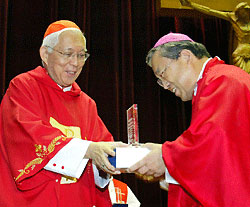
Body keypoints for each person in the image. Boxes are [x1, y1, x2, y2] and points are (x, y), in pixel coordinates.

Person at [0, 20, 125, 207]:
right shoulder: (23, 88)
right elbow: (29, 139)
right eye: (67, 54)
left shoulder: (87, 104)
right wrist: (89, 150)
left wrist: (111, 162)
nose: (75, 63)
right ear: (45, 53)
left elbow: (102, 150)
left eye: (81, 55)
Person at [129, 32, 250, 206]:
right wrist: (165, 157)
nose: (165, 86)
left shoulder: (223, 80)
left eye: (162, 73)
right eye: (159, 81)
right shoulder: (212, 82)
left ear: (185, 56)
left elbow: (213, 142)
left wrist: (165, 157)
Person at [180, 0, 250, 73]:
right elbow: (209, 11)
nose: (244, 15)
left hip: (247, 48)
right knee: (240, 67)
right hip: (241, 49)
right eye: (241, 14)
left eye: (245, 13)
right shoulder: (232, 17)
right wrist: (191, 5)